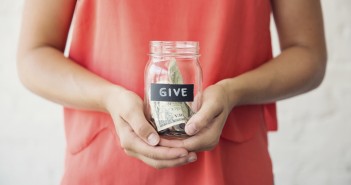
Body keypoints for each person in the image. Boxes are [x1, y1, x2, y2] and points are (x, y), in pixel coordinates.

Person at [17, 0, 326, 184]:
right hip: (106, 167)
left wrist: (233, 92)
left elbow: (308, 55)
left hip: (232, 169)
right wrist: (107, 97)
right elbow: (34, 54)